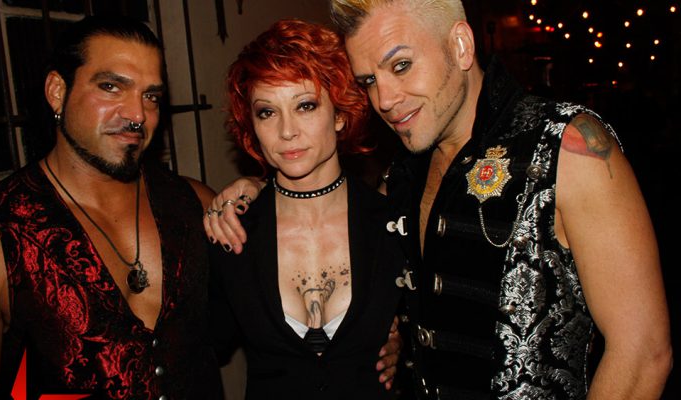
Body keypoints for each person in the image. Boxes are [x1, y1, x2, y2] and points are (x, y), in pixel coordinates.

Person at [206, 0, 673, 399]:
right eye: (369, 81)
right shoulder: (404, 177)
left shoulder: (565, 146)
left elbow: (643, 354)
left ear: (462, 45)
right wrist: (258, 188)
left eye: (401, 65)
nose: (385, 99)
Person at [0, 16, 223, 399]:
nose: (137, 114)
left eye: (151, 96)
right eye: (111, 87)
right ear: (57, 91)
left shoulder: (198, 205)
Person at [207, 19, 403, 399]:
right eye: (267, 112)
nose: (287, 131)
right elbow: (200, 347)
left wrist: (405, 345)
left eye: (305, 106)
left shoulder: (392, 223)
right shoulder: (233, 231)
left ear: (340, 114)